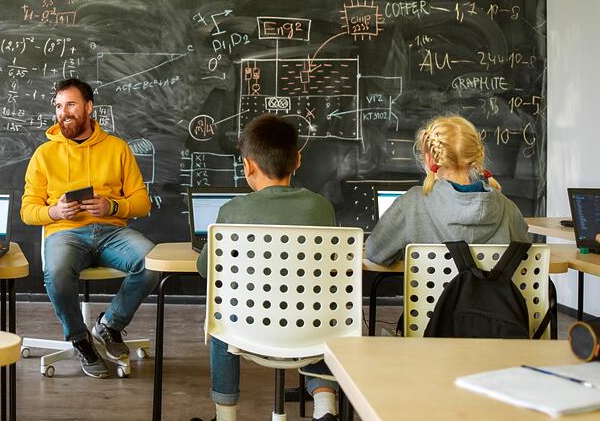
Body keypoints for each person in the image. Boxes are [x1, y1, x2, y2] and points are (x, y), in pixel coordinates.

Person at [195, 114, 339, 421]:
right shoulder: (321, 208)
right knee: (320, 304)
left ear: (247, 165)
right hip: (308, 328)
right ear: (297, 160)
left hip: (249, 327)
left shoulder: (231, 211)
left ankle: (226, 414)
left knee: (219, 317)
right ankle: (326, 406)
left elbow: (206, 270)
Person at [21, 78, 157, 379]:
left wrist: (113, 207)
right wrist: (54, 211)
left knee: (151, 260)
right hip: (65, 232)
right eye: (58, 106)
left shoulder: (117, 148)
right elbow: (28, 211)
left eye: (70, 104)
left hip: (112, 232)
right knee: (56, 272)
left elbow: (142, 203)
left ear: (88, 107)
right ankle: (80, 338)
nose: (63, 112)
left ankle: (110, 324)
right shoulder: (44, 155)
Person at [366, 115, 529, 265]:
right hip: (495, 297)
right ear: (476, 156)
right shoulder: (508, 209)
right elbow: (525, 260)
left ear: (430, 158)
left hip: (431, 298)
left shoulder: (411, 205)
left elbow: (375, 252)